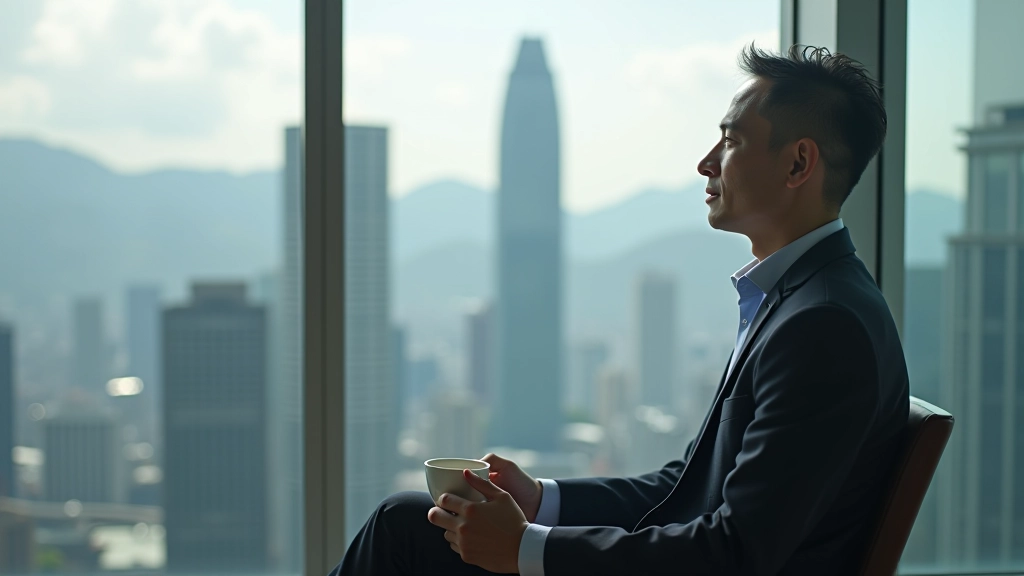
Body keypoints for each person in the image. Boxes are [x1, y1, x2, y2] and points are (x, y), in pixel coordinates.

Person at [330, 43, 909, 576]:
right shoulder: (802, 300)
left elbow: (737, 551)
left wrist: (527, 549)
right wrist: (541, 500)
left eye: (730, 140)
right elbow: (685, 486)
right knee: (410, 521)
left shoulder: (822, 325)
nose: (706, 162)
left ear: (797, 164)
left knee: (404, 529)